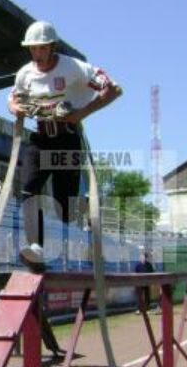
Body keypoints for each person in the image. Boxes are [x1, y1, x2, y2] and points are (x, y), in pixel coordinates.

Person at [8, 20, 121, 268]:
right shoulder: (25, 74)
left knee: (65, 209)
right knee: (29, 188)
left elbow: (113, 89)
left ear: (52, 46)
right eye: (32, 49)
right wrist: (15, 108)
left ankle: (87, 219)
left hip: (67, 138)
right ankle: (36, 247)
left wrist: (82, 113)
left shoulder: (73, 67)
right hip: (39, 139)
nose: (36, 54)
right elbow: (13, 99)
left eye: (41, 48)